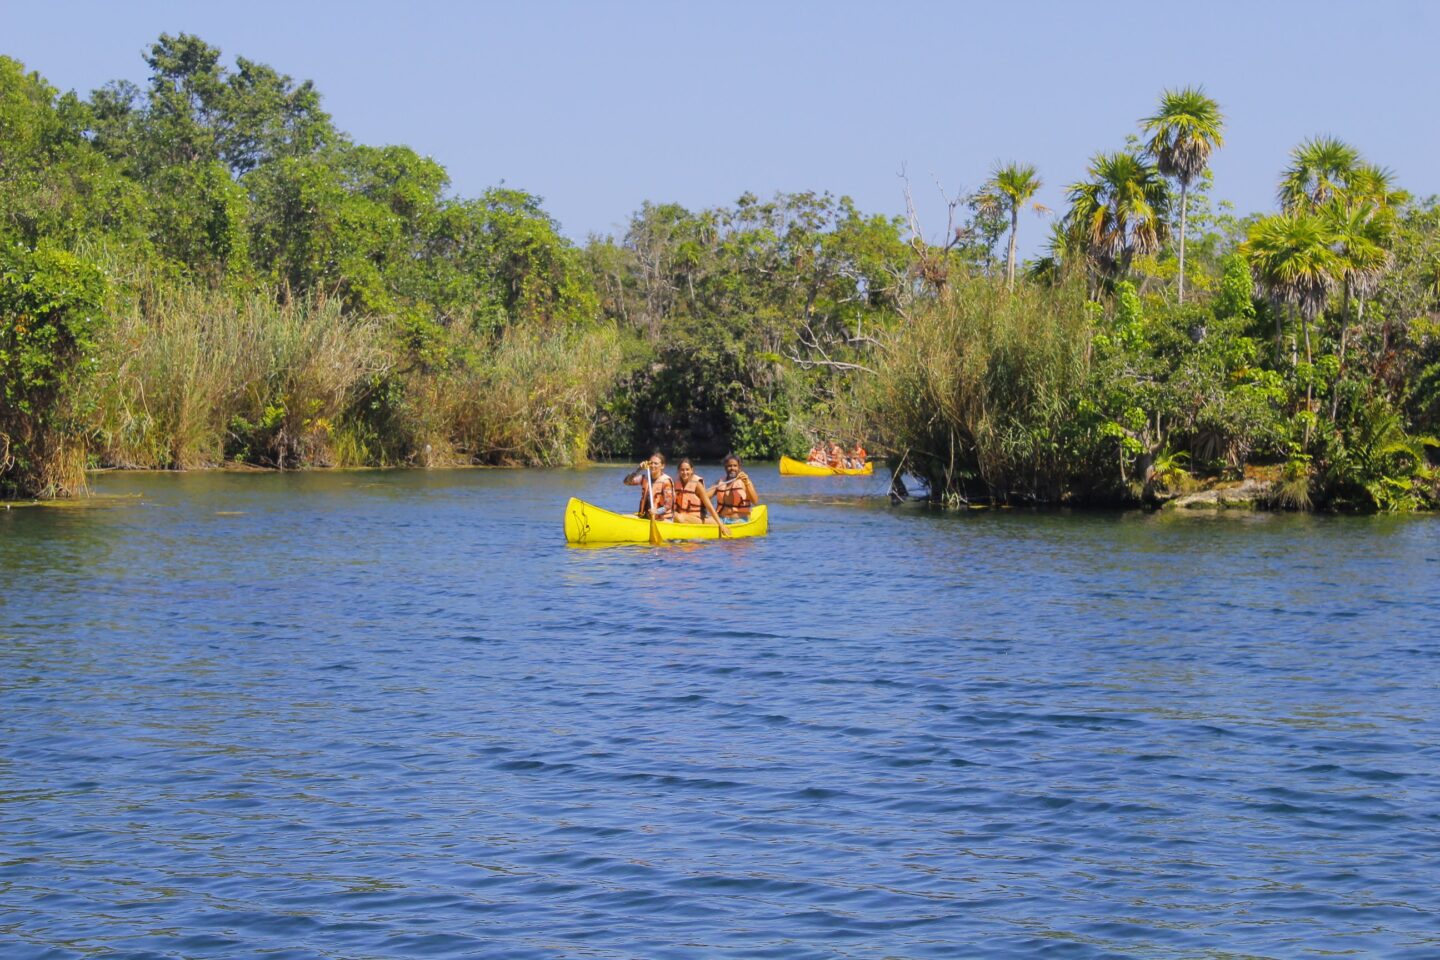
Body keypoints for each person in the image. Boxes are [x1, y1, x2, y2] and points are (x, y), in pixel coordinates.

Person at [672, 458, 729, 534]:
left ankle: (714, 522)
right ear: (679, 471)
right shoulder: (676, 483)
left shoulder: (697, 484)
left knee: (678, 517)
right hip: (683, 517)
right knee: (674, 515)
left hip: (697, 518)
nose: (685, 472)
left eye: (687, 469)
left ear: (692, 470)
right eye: (682, 470)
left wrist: (721, 525)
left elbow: (709, 506)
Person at [707, 454, 760, 523]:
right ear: (725, 467)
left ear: (739, 467)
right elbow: (704, 497)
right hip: (721, 519)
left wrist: (747, 483)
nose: (732, 468)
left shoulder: (745, 482)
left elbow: (755, 501)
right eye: (729, 466)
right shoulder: (720, 482)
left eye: (735, 466)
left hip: (739, 520)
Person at [624, 451, 674, 519]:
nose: (653, 465)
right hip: (645, 516)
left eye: (656, 463)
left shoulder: (666, 481)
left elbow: (668, 505)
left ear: (662, 466)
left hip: (662, 518)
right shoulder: (644, 478)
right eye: (651, 463)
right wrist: (638, 469)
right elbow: (626, 482)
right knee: (624, 517)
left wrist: (657, 511)